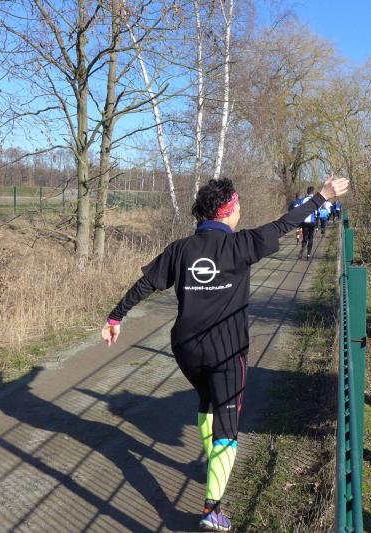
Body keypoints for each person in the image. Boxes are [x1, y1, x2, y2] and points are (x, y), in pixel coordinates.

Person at [101, 175, 349, 532]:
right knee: (227, 428)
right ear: (228, 210)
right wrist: (321, 196)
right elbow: (285, 224)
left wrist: (115, 317)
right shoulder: (241, 245)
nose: (241, 211)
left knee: (207, 401)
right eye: (239, 205)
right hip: (226, 352)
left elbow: (146, 284)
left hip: (185, 349)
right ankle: (212, 508)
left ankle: (213, 465)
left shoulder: (180, 249)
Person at [296, 186, 318, 260]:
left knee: (305, 238)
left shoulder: (303, 200)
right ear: (313, 192)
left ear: (307, 192)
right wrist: (317, 225)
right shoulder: (315, 200)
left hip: (305, 221)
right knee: (311, 238)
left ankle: (302, 250)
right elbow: (317, 213)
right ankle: (308, 254)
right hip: (312, 222)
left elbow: (299, 210)